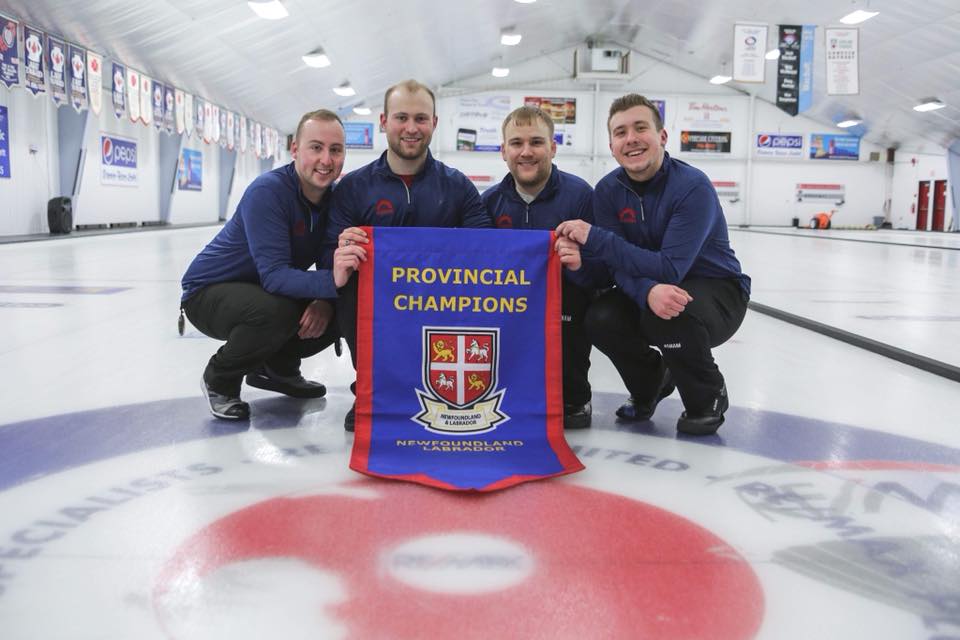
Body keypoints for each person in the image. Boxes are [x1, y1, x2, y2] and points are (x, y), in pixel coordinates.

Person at [557, 94, 750, 435]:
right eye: (620, 132)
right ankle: (651, 384)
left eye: (640, 127)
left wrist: (595, 238)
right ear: (613, 146)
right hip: (648, 286)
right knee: (600, 317)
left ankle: (707, 397)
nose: (630, 138)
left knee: (671, 310)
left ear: (662, 136)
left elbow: (669, 268)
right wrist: (645, 291)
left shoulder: (692, 187)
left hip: (716, 290)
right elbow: (615, 265)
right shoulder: (607, 191)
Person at [330, 79, 493, 431]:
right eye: (401, 117)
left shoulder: (458, 186)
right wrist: (341, 250)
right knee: (347, 292)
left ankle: (440, 390)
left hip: (441, 301)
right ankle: (370, 391)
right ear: (383, 121)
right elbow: (329, 253)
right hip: (378, 301)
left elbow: (486, 249)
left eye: (421, 119)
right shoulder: (353, 188)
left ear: (434, 124)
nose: (411, 128)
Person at [181, 109, 358, 420]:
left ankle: (278, 371)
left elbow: (330, 264)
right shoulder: (268, 192)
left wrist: (326, 301)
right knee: (277, 311)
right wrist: (330, 285)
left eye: (336, 150)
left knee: (346, 302)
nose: (326, 160)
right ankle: (220, 379)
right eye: (315, 147)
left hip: (263, 290)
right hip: (208, 293)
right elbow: (275, 276)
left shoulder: (335, 198)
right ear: (295, 150)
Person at [481, 105, 596, 429]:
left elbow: (603, 266)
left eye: (536, 142)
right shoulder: (490, 202)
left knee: (573, 307)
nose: (526, 152)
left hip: (567, 297)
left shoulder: (581, 197)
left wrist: (579, 265)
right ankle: (504, 391)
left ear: (553, 147)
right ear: (504, 151)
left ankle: (574, 396)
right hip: (509, 299)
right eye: (516, 143)